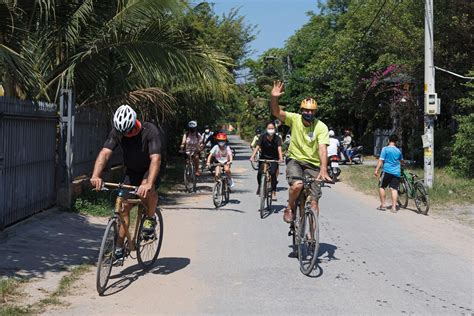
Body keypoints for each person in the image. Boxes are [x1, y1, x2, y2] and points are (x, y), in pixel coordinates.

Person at [90, 104, 163, 263]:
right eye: (123, 133)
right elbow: (105, 153)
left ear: (135, 124)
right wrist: (96, 175)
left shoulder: (150, 131)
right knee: (123, 207)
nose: (126, 135)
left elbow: (155, 159)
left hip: (149, 168)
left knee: (147, 190)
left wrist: (148, 183)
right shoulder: (118, 131)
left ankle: (150, 218)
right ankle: (118, 249)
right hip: (131, 170)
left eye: (129, 131)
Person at [270, 81, 332, 223]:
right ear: (301, 110)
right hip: (295, 160)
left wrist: (323, 169)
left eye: (311, 111)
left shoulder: (321, 127)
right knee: (297, 185)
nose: (308, 113)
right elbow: (276, 112)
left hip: (314, 164)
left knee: (314, 202)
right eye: (306, 110)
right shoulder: (294, 119)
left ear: (315, 112)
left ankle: (312, 236)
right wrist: (274, 98)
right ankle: (290, 207)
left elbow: (322, 148)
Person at [249, 121, 283, 200]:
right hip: (263, 158)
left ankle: (274, 191)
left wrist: (281, 158)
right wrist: (252, 156)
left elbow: (279, 149)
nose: (270, 130)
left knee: (273, 173)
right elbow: (257, 147)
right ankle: (260, 186)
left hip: (274, 159)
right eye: (269, 128)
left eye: (272, 128)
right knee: (260, 173)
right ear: (266, 129)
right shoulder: (262, 137)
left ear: (275, 129)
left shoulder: (277, 138)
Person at [374, 134, 404, 213]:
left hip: (387, 171)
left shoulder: (385, 149)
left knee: (382, 186)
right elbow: (401, 161)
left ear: (388, 140)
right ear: (396, 142)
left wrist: (376, 170)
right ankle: (394, 207)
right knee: (394, 189)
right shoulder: (398, 151)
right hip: (396, 172)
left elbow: (381, 160)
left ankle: (383, 204)